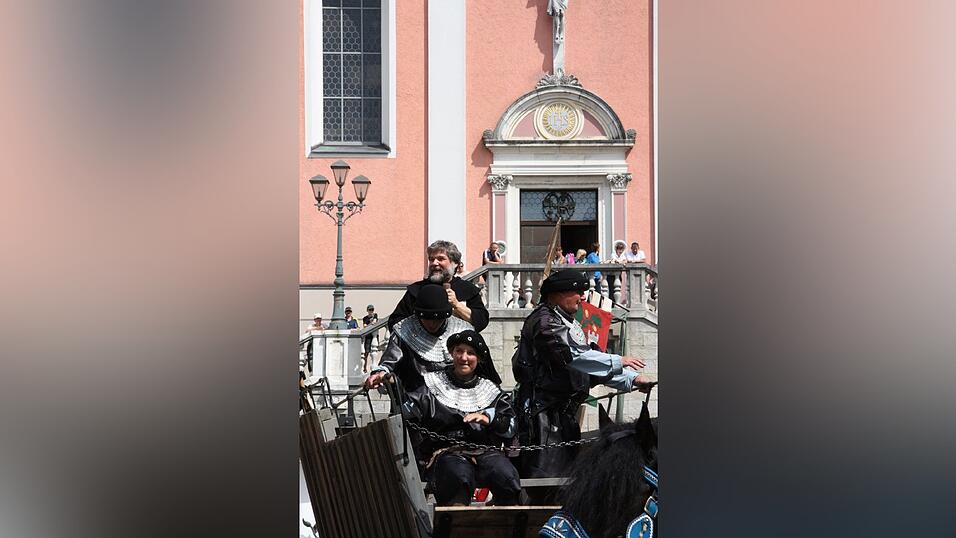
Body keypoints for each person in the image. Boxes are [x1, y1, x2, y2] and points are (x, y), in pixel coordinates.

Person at [512, 268, 653, 492]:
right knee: (545, 483)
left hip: (563, 416)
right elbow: (574, 357)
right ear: (558, 294)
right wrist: (619, 360)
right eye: (577, 291)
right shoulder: (544, 322)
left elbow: (588, 369)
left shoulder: (567, 323)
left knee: (566, 482)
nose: (582, 297)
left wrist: (633, 380)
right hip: (543, 417)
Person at [401, 330, 520, 506]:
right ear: (452, 353)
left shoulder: (492, 391)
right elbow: (408, 413)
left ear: (479, 358)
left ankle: (506, 519)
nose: (464, 358)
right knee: (458, 476)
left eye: (470, 353)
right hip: (446, 454)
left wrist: (489, 419)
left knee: (506, 476)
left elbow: (511, 426)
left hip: (485, 452)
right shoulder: (430, 385)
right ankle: (457, 520)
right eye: (459, 351)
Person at [366, 284, 474, 393]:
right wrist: (380, 374)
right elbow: (389, 362)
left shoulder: (463, 331)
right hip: (416, 396)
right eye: (427, 318)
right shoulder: (403, 331)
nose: (432, 324)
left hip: (458, 396)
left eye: (438, 319)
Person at [387, 240, 489, 332]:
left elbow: (481, 321)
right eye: (431, 259)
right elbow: (395, 322)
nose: (434, 263)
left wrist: (457, 305)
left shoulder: (468, 289)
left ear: (455, 263)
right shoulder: (417, 289)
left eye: (441, 259)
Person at [361, 304, 379, 373]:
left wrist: (370, 323)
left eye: (372, 310)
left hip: (374, 336)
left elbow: (374, 322)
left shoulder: (375, 315)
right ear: (367, 310)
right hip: (368, 336)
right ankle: (364, 368)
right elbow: (365, 326)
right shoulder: (365, 318)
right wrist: (370, 323)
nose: (371, 311)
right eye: (370, 310)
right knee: (366, 352)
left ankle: (374, 368)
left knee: (374, 352)